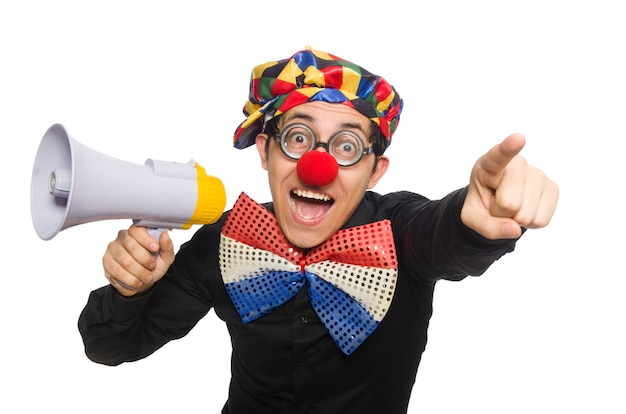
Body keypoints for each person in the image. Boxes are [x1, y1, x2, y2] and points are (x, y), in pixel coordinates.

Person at [78, 47, 559, 413]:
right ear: (265, 152)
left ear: (375, 172)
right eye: (299, 138)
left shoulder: (399, 231)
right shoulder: (226, 241)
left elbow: (442, 237)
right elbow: (112, 347)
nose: (317, 166)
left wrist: (471, 222)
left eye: (347, 146)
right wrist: (128, 290)